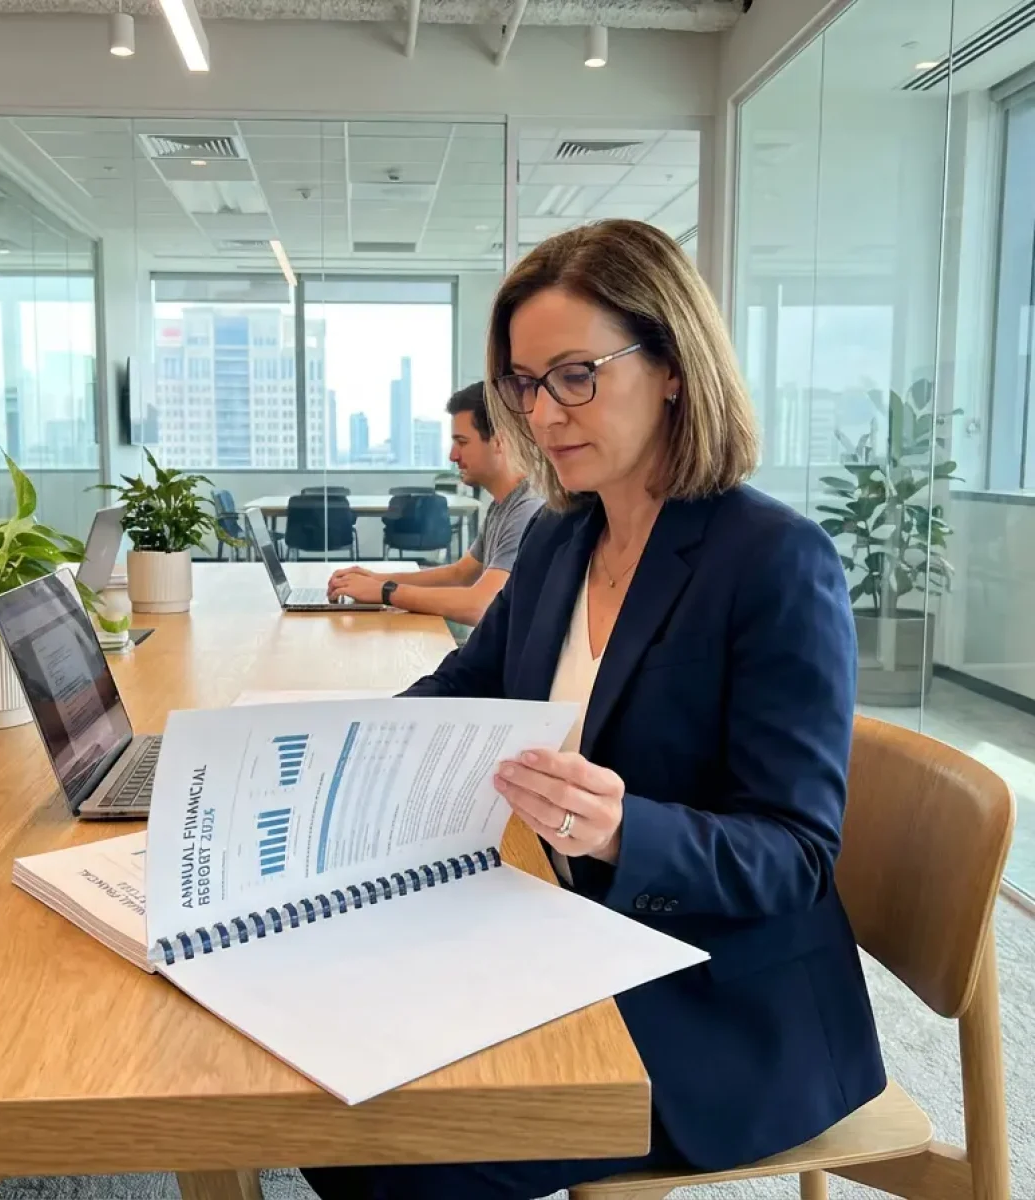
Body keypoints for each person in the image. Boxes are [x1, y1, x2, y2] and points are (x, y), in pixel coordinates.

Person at [302, 219, 885, 1200]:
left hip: (714, 998)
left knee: (377, 1150)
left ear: (670, 367)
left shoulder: (775, 562)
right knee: (328, 1055)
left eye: (576, 374)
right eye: (524, 384)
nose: (543, 412)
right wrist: (323, 755)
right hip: (560, 929)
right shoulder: (564, 545)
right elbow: (459, 692)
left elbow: (794, 855)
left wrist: (622, 831)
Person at [326, 382, 543, 626]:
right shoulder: (502, 506)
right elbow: (459, 575)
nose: (453, 455)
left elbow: (481, 605)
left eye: (462, 442)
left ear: (498, 442)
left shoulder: (528, 510)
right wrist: (376, 580)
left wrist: (386, 592)